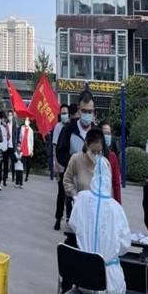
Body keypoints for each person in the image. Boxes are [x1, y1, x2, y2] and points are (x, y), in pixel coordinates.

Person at [68, 156, 131, 294]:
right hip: (110, 283)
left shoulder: (82, 200)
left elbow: (73, 226)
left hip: (84, 282)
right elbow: (125, 245)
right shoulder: (116, 209)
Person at [56, 91, 96, 229]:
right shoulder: (69, 129)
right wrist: (75, 163)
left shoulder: (96, 133)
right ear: (79, 110)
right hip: (74, 190)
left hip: (92, 191)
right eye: (84, 111)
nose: (87, 114)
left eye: (90, 111)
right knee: (73, 229)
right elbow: (60, 153)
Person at [63, 128, 107, 211]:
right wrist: (75, 196)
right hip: (80, 206)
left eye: (99, 152)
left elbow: (108, 186)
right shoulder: (76, 159)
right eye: (93, 152)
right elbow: (67, 180)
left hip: (98, 207)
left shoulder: (104, 163)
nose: (96, 155)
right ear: (87, 145)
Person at [53, 104, 70, 230]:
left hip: (71, 166)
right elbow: (54, 146)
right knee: (61, 193)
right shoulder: (58, 127)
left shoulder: (71, 127)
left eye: (66, 113)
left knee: (70, 195)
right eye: (62, 113)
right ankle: (58, 218)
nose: (64, 115)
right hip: (61, 165)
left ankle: (70, 219)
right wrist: (56, 164)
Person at [100, 120, 122, 204]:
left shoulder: (112, 156)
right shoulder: (92, 154)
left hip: (107, 199)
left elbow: (116, 183)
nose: (107, 136)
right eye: (105, 133)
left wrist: (118, 204)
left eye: (109, 134)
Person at [19, 117, 34, 182]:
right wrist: (19, 145)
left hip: (28, 148)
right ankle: (21, 175)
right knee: (22, 163)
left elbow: (32, 141)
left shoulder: (31, 130)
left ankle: (27, 176)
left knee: (28, 164)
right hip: (22, 147)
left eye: (27, 121)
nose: (26, 122)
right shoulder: (22, 128)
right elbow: (20, 137)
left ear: (29, 122)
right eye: (25, 120)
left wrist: (32, 150)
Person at [5, 110, 18, 184]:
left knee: (13, 162)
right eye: (8, 115)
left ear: (12, 116)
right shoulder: (6, 124)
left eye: (11, 115)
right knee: (6, 161)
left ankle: (13, 176)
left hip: (12, 145)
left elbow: (15, 135)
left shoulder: (14, 123)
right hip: (7, 145)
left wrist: (16, 146)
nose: (9, 116)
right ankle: (6, 175)